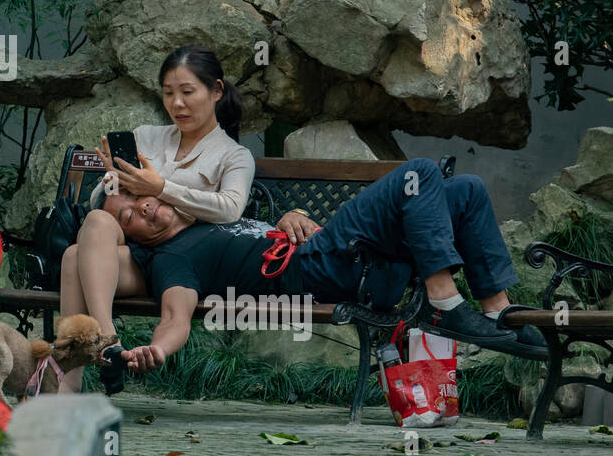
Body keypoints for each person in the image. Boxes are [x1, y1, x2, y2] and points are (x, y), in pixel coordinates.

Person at [60, 158, 545, 391]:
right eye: (129, 219)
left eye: (141, 198)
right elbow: (176, 316)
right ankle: (444, 299)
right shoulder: (174, 258)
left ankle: (496, 312)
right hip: (322, 267)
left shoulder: (209, 216)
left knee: (466, 187)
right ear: (135, 241)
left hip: (362, 261)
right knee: (417, 171)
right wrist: (157, 351)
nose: (143, 209)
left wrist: (288, 214)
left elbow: (255, 224)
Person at [58, 45, 255, 394]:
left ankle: (71, 379)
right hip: (131, 253)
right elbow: (99, 202)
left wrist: (161, 187)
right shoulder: (146, 136)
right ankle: (105, 342)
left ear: (217, 91)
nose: (177, 104)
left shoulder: (234, 155)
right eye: (168, 93)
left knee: (74, 257)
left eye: (187, 92)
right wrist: (113, 182)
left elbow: (230, 209)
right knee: (93, 229)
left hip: (182, 262)